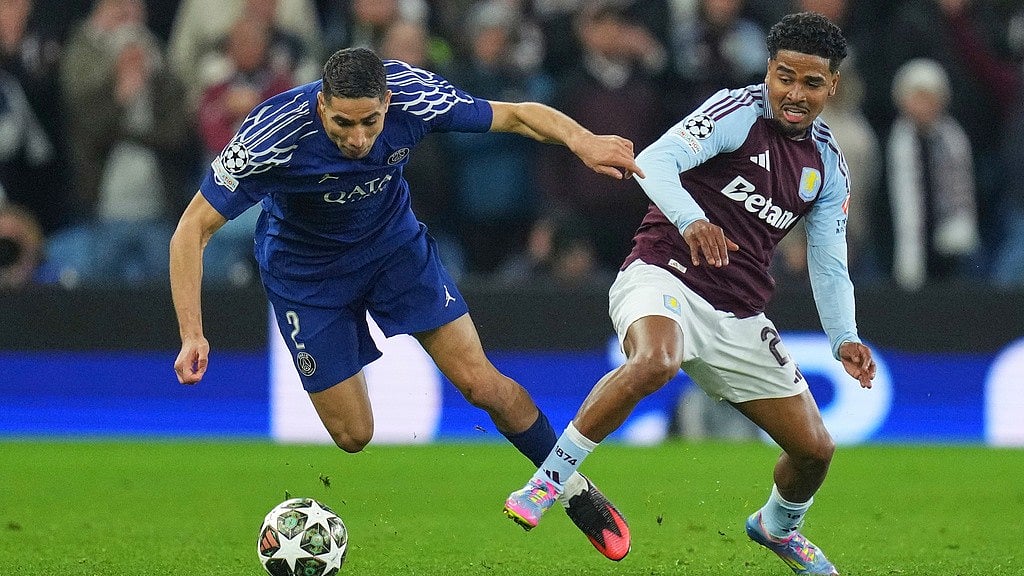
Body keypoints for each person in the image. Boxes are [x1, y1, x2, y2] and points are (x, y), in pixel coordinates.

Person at [169, 46, 643, 561]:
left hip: (394, 253)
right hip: (306, 277)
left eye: (370, 122)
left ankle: (568, 488)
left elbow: (518, 115)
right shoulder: (272, 135)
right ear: (322, 104)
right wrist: (193, 332)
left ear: (388, 102)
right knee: (353, 434)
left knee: (481, 383)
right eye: (343, 123)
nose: (358, 139)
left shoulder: (418, 97)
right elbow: (191, 230)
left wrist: (584, 140)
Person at [504, 12, 877, 575]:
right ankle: (548, 481)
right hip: (663, 273)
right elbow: (652, 161)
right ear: (769, 72)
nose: (793, 93)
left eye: (810, 82)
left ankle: (778, 526)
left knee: (815, 451)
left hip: (740, 314)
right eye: (784, 77)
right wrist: (693, 218)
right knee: (656, 360)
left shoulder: (827, 165)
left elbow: (828, 263)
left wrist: (844, 337)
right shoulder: (737, 111)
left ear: (833, 86)